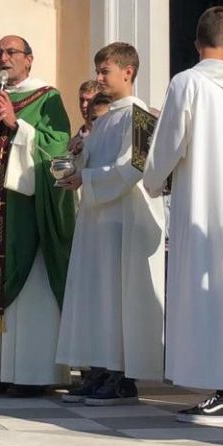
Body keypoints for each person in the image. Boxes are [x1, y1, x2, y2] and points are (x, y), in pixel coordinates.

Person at [143, 6, 223, 423]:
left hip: (200, 204)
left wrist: (153, 181)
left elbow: (168, 143)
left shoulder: (186, 83)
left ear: (197, 43)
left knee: (209, 294)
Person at [0, 36, 75, 396]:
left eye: (12, 52)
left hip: (26, 216)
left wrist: (17, 124)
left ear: (29, 59)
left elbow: (57, 147)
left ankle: (30, 375)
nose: (4, 58)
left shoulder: (48, 98)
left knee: (31, 295)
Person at [56, 42, 166, 406]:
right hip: (97, 222)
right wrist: (74, 158)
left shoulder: (140, 116)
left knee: (119, 299)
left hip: (125, 222)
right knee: (97, 297)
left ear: (128, 72)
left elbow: (135, 167)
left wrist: (87, 178)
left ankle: (122, 375)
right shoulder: (103, 120)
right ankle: (100, 367)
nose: (99, 78)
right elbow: (86, 166)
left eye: (105, 71)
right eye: (98, 71)